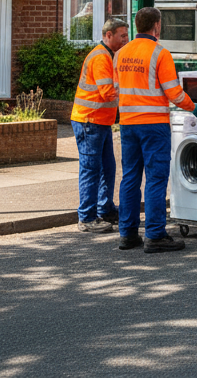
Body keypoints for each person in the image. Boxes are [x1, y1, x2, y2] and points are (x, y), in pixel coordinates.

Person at [115, 6, 197, 253]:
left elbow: (118, 89)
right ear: (156, 26)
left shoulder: (121, 54)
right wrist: (195, 108)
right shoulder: (160, 54)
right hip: (153, 125)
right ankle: (155, 235)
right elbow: (174, 93)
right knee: (156, 179)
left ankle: (127, 234)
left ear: (137, 26)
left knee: (130, 178)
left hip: (128, 125)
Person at [70, 17, 128, 233]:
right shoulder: (102, 58)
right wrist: (132, 91)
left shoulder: (109, 56)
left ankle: (105, 209)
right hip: (89, 121)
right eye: (122, 35)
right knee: (92, 169)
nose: (126, 39)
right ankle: (86, 218)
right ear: (108, 35)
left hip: (98, 122)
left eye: (126, 35)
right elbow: (107, 93)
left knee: (107, 168)